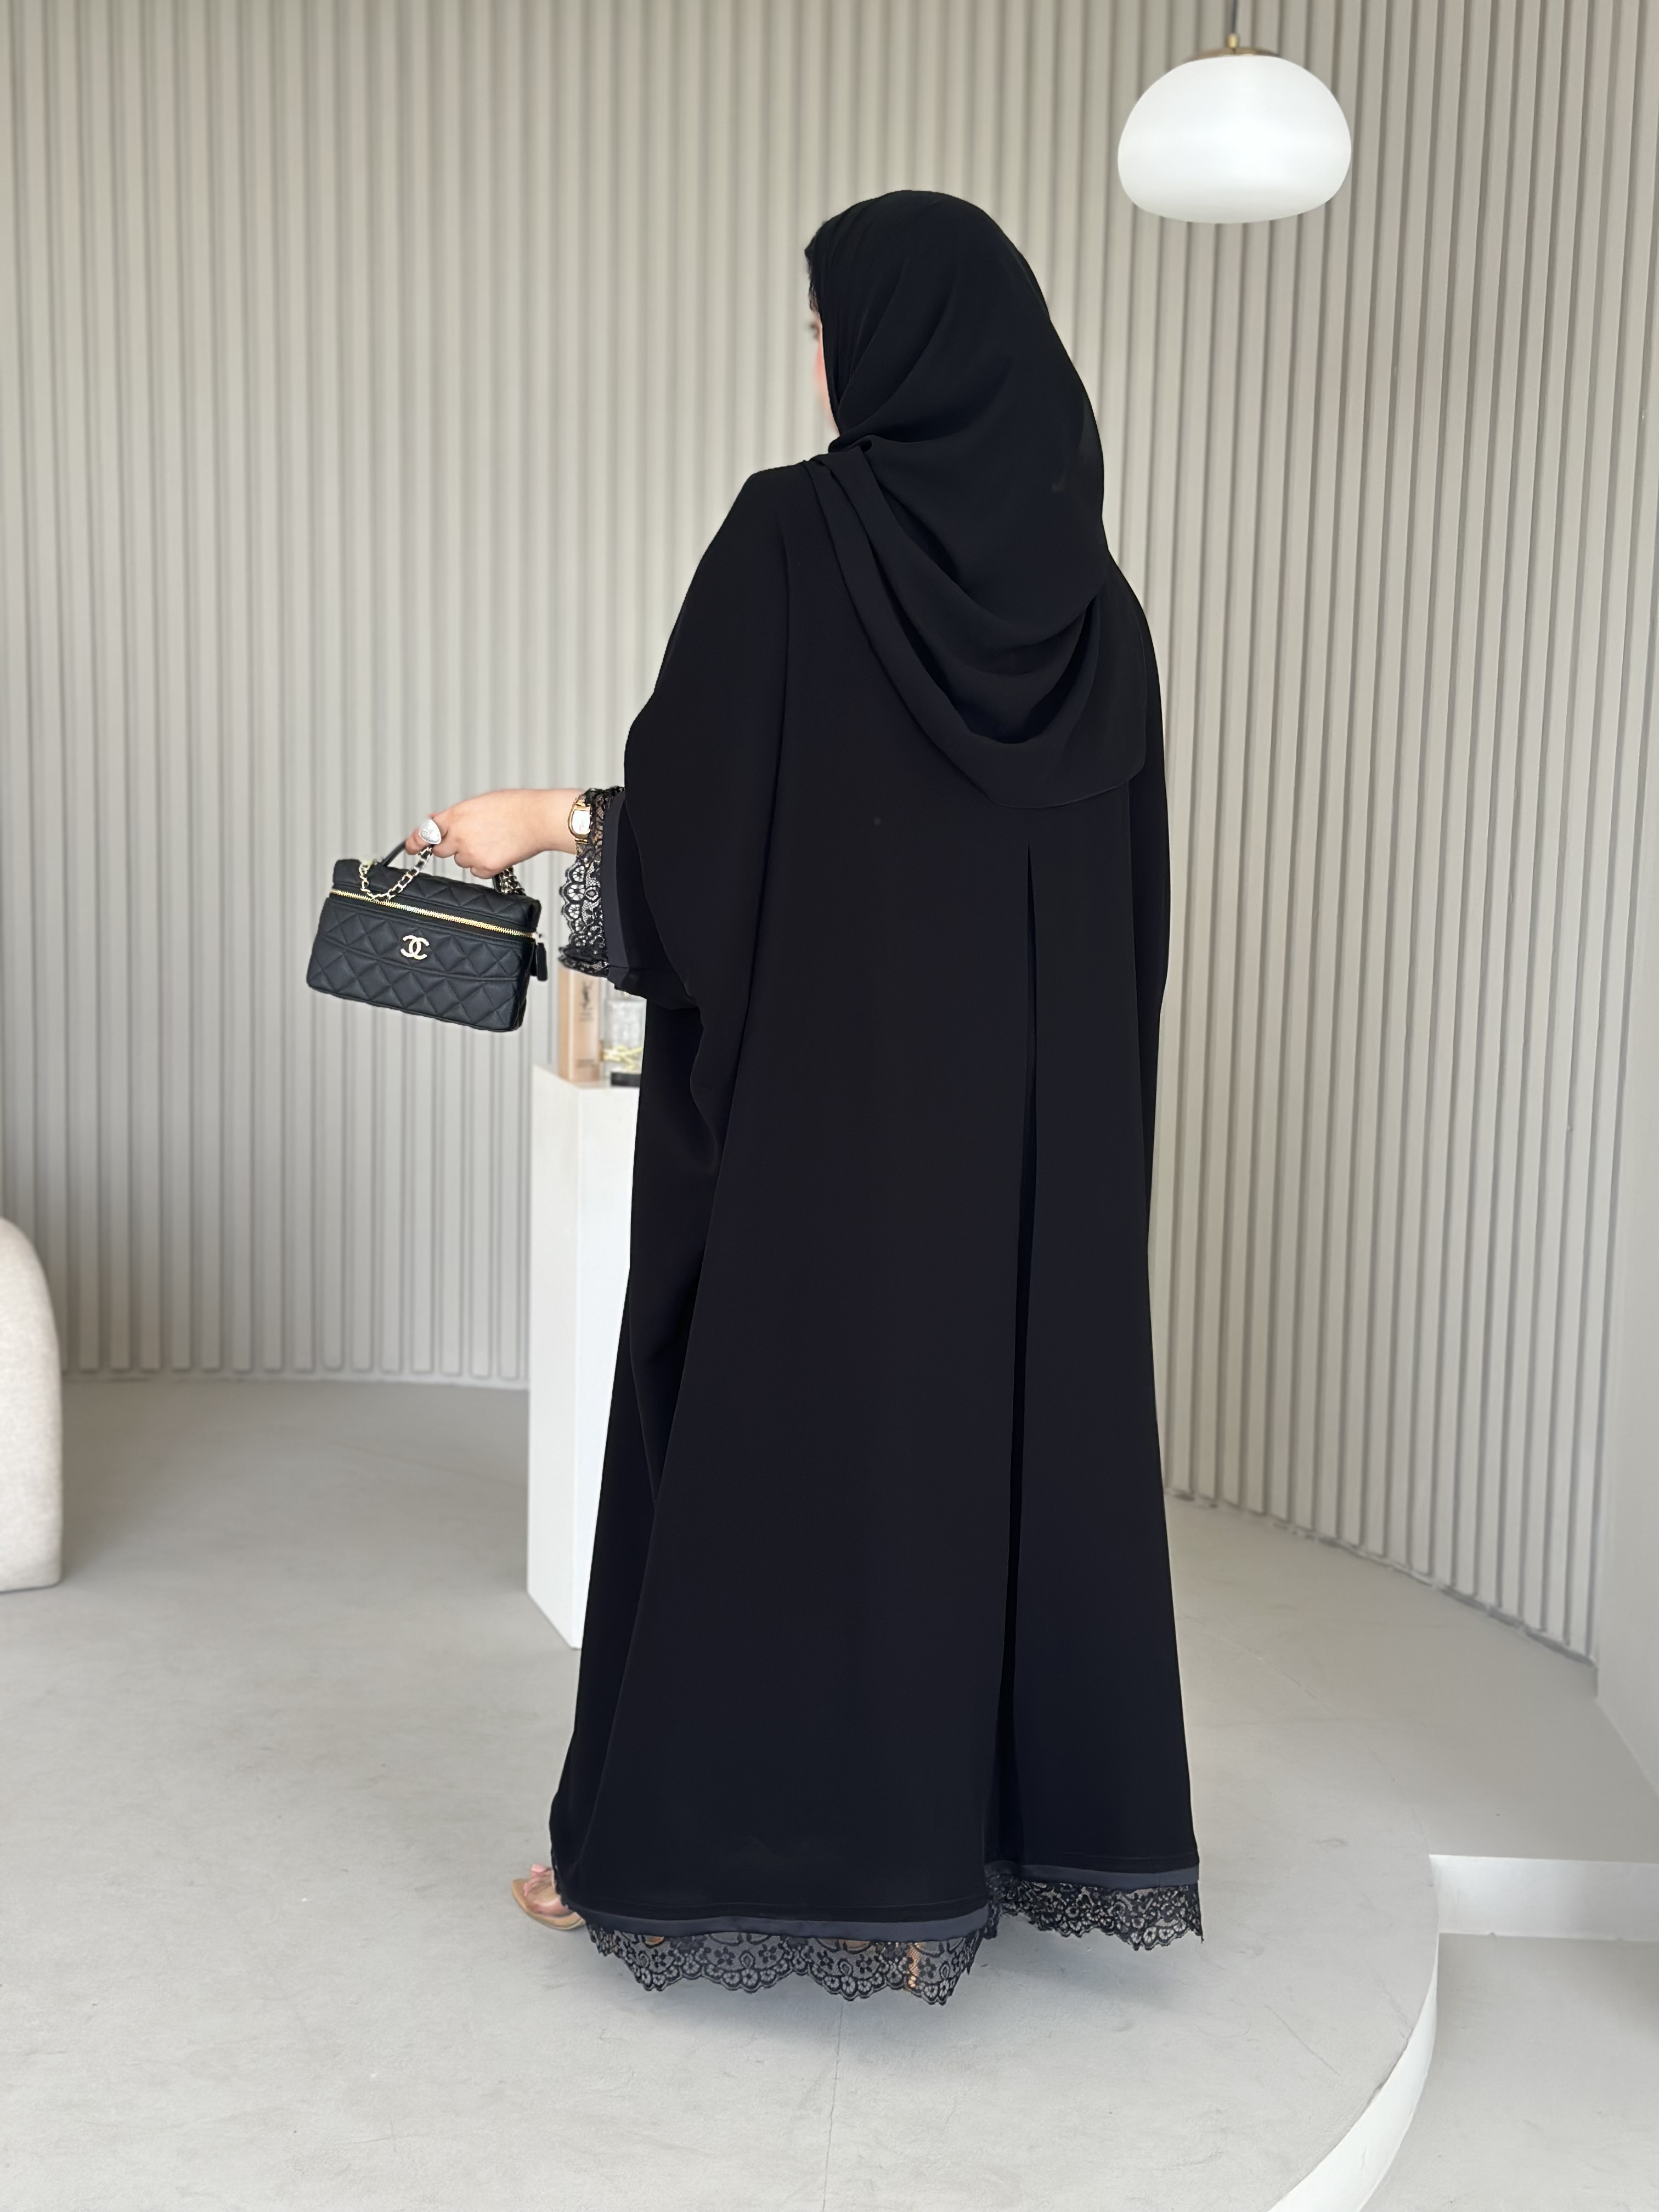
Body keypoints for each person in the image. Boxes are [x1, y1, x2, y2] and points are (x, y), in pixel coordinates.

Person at [407, 190, 1199, 2006]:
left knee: (769, 1460)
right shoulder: (1103, 619)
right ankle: (964, 1851)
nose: (819, 362)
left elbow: (702, 853)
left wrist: (541, 821)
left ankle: (674, 1852)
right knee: (983, 1468)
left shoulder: (792, 536)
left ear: (888, 348)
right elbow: (1128, 923)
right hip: (1029, 1169)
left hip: (829, 1149)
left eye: (827, 327)